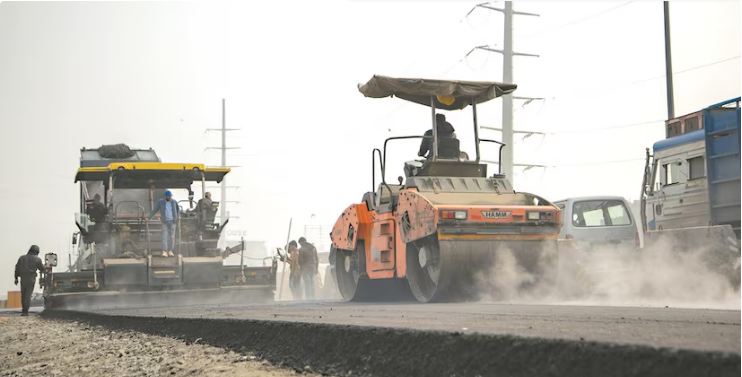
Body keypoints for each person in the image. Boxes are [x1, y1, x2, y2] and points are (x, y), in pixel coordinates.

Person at [14, 245, 44, 316]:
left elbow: (17, 268)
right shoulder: (37, 259)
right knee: (28, 295)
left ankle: (24, 310)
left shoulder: (21, 258)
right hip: (31, 279)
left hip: (23, 278)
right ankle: (25, 311)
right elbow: (42, 269)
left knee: (23, 295)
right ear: (36, 251)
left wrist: (16, 278)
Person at [149, 190, 179, 257]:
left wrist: (177, 218)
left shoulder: (174, 202)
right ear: (165, 197)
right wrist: (149, 217)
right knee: (164, 236)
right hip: (165, 222)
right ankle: (164, 251)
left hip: (173, 222)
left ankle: (170, 251)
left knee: (172, 237)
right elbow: (155, 210)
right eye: (169, 196)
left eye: (170, 196)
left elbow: (178, 210)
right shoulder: (161, 202)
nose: (170, 197)